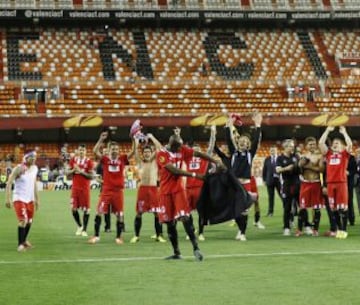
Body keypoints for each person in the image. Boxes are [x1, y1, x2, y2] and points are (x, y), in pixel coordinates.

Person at [156, 130, 222, 261]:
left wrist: (215, 161)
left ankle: (196, 248)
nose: (181, 149)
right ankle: (176, 252)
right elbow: (173, 170)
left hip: (179, 190)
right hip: (165, 192)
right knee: (169, 223)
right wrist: (195, 175)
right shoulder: (162, 154)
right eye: (178, 146)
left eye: (181, 146)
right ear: (171, 144)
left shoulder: (181, 149)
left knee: (185, 218)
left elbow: (198, 153)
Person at [88, 131, 137, 245]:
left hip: (118, 192)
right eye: (112, 149)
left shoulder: (123, 159)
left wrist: (133, 139)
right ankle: (96, 236)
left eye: (116, 149)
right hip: (106, 191)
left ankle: (119, 237)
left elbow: (133, 151)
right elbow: (95, 151)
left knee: (119, 214)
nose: (114, 150)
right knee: (99, 211)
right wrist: (100, 139)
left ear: (118, 150)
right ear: (109, 150)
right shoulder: (105, 159)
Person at [225, 112, 262, 241]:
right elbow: (228, 138)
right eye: (241, 140)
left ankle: (242, 232)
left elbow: (256, 140)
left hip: (245, 184)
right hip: (235, 184)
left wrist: (257, 125)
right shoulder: (234, 152)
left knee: (244, 210)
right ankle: (240, 229)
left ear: (248, 144)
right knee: (235, 210)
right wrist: (229, 124)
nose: (243, 142)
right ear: (238, 142)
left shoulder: (250, 154)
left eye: (245, 141)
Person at [130, 133, 166, 243]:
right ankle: (136, 235)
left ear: (151, 153)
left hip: (154, 189)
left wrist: (151, 137)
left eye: (148, 152)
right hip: (142, 190)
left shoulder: (155, 161)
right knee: (139, 213)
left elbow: (160, 148)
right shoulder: (140, 162)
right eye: (145, 152)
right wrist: (136, 141)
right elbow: (135, 152)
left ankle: (159, 235)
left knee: (157, 213)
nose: (146, 154)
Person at [318, 126, 352, 239]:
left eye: (337, 143)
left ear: (342, 146)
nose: (335, 144)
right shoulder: (328, 154)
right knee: (333, 209)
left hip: (341, 183)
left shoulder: (344, 155)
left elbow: (350, 145)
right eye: (333, 142)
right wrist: (327, 130)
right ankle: (338, 228)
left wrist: (344, 132)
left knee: (343, 208)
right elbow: (321, 143)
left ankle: (344, 230)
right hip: (330, 184)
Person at [185, 126, 216, 241]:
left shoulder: (204, 158)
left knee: (201, 212)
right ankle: (191, 230)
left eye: (198, 149)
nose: (196, 150)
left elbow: (211, 146)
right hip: (188, 188)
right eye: (194, 149)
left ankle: (201, 232)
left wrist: (213, 133)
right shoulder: (186, 158)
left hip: (199, 188)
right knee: (187, 212)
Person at [5, 151, 39, 252]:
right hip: (19, 198)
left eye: (34, 157)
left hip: (30, 199)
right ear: (25, 158)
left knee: (29, 221)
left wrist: (37, 199)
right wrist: (8, 198)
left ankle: (24, 241)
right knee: (23, 220)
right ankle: (20, 245)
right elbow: (9, 182)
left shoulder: (35, 168)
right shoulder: (19, 168)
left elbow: (34, 183)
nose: (33, 159)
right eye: (31, 157)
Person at [297, 137, 324, 237]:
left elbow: (321, 169)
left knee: (316, 208)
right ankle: (299, 229)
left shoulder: (320, 156)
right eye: (310, 144)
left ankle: (315, 229)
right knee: (302, 207)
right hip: (305, 183)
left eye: (313, 144)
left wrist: (309, 166)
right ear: (306, 146)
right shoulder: (303, 156)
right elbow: (299, 167)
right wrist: (301, 164)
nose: (312, 146)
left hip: (316, 183)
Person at [66, 144, 94, 237]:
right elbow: (67, 173)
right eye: (80, 150)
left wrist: (81, 171)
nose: (81, 152)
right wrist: (74, 170)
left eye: (83, 150)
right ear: (77, 151)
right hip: (75, 189)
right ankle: (80, 226)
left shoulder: (89, 161)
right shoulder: (73, 160)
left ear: (86, 151)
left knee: (86, 210)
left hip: (85, 189)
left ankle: (84, 230)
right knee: (73, 209)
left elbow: (91, 176)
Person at [276, 139, 300, 236]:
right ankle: (286, 227)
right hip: (287, 184)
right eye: (290, 146)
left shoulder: (296, 156)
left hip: (297, 183)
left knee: (301, 206)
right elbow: (278, 170)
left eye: (293, 146)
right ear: (285, 147)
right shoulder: (280, 158)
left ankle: (306, 226)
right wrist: (286, 168)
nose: (292, 147)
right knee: (287, 207)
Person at [95, 146, 112, 232]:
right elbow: (97, 178)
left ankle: (121, 225)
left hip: (115, 189)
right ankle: (107, 227)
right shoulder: (99, 165)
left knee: (118, 208)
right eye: (104, 152)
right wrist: (104, 182)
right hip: (105, 189)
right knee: (106, 209)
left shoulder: (113, 162)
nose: (105, 153)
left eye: (107, 151)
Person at [262, 145, 281, 217]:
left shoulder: (280, 158)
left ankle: (288, 210)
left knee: (282, 196)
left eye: (274, 150)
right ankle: (270, 212)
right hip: (269, 180)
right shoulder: (267, 159)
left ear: (277, 151)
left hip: (279, 181)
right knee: (271, 197)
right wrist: (264, 179)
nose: (272, 152)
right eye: (271, 150)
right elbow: (264, 170)